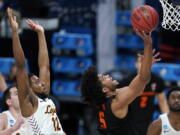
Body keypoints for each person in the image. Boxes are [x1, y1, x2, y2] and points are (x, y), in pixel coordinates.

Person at [81, 27, 156, 134]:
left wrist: (147, 64)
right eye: (103, 78)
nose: (107, 75)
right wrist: (148, 45)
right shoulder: (118, 102)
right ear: (105, 89)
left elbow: (142, 77)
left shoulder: (99, 100)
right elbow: (143, 78)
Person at [7, 8, 66, 135]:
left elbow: (44, 66)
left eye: (39, 80)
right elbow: (21, 66)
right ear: (29, 88)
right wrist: (15, 33)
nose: (42, 83)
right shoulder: (29, 103)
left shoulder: (46, 98)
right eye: (36, 82)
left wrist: (41, 33)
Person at [118, 51, 169, 135]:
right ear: (135, 64)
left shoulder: (157, 80)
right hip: (129, 122)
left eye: (147, 61)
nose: (144, 64)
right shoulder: (126, 81)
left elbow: (162, 102)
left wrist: (168, 122)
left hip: (148, 122)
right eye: (141, 61)